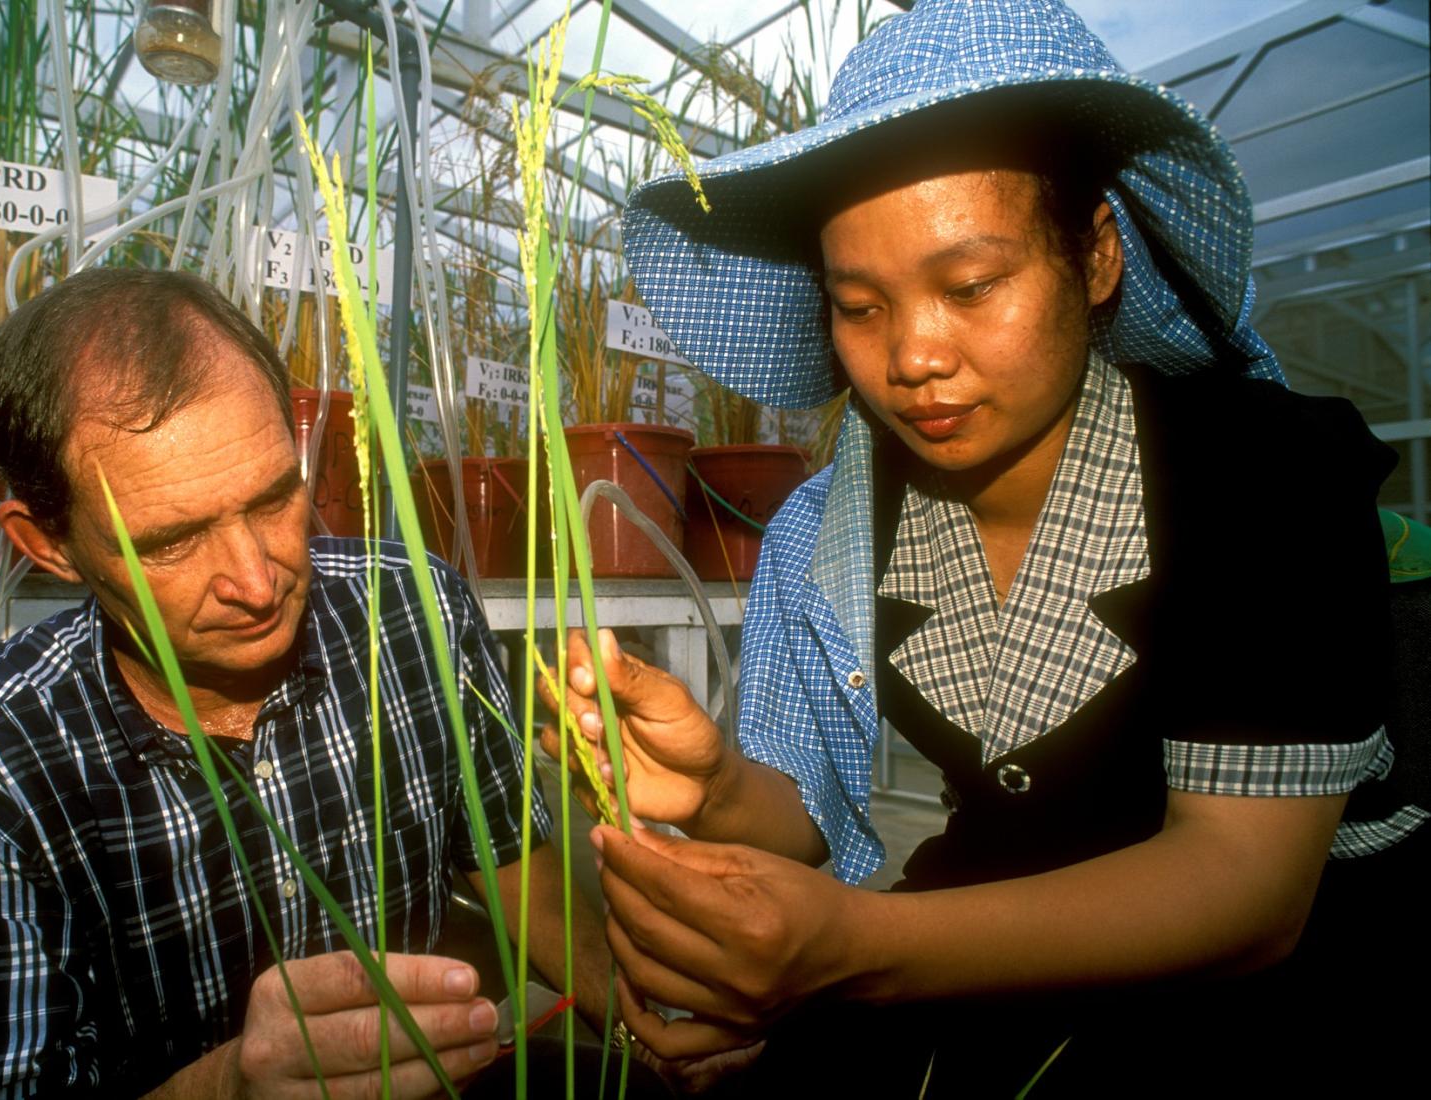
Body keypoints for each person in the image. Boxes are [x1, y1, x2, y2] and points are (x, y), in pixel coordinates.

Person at [547, 0, 1423, 1093]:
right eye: (859, 305)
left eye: (970, 287)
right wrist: (715, 785)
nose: (913, 355)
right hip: (986, 935)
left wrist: (854, 946)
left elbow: (1244, 888)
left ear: (1095, 256)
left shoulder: (1267, 472)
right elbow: (804, 821)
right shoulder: (828, 529)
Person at [0, 268, 615, 1099]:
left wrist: (644, 1018)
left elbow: (521, 874)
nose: (258, 583)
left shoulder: (410, 611)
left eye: (272, 499)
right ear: (50, 547)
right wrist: (230, 1085)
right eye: (172, 541)